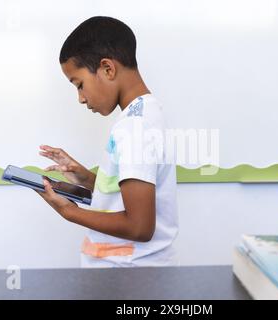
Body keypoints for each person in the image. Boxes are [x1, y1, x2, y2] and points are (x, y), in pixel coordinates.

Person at [36, 16, 178, 268]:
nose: (80, 98)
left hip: (127, 276)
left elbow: (139, 227)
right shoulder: (143, 115)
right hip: (128, 273)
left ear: (107, 69)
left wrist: (70, 212)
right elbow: (126, 196)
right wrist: (85, 179)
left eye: (79, 85)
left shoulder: (136, 127)